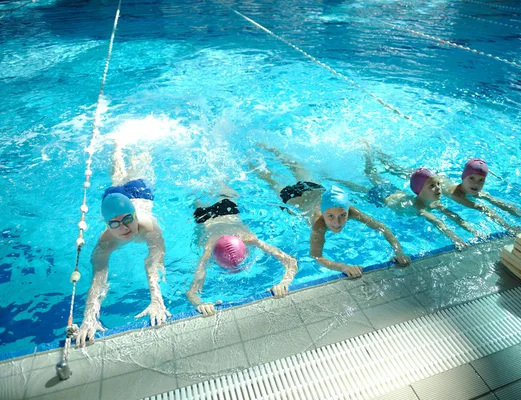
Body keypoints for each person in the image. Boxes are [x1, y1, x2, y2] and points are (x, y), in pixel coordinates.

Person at [252, 144, 410, 279]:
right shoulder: (318, 224)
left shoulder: (351, 211)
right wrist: (342, 267)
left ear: (347, 210)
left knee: (295, 165)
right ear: (323, 213)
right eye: (331, 217)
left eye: (343, 215)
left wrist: (399, 251)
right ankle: (255, 157)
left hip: (313, 187)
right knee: (270, 179)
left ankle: (274, 150)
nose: (337, 222)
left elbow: (381, 226)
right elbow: (316, 256)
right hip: (293, 199)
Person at [76, 140, 169, 348]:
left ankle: (138, 143)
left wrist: (156, 298)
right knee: (117, 175)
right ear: (107, 225)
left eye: (128, 220)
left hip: (140, 191)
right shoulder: (106, 241)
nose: (124, 228)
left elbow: (154, 260)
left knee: (137, 164)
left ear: (135, 216)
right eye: (115, 224)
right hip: (116, 199)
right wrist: (89, 316)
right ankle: (117, 148)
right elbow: (98, 276)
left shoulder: (148, 226)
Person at [332, 143, 480, 251]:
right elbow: (438, 223)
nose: (438, 189)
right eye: (432, 186)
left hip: (393, 191)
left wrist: (473, 231)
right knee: (360, 189)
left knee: (372, 175)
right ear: (419, 191)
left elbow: (453, 216)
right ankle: (333, 178)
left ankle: (368, 154)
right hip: (381, 197)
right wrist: (456, 239)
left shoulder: (434, 203)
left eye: (438, 184)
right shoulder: (420, 208)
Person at [186, 184, 298, 316]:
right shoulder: (210, 247)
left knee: (199, 190)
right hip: (210, 213)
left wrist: (284, 283)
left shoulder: (247, 238)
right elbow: (290, 261)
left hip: (214, 212)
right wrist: (200, 305)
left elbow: (290, 261)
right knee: (212, 186)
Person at [438, 158, 521, 227]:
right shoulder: (456, 194)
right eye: (471, 178)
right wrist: (508, 227)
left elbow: (501, 204)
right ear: (463, 177)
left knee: (493, 200)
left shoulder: (473, 188)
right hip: (440, 182)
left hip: (460, 186)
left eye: (481, 180)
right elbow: (481, 208)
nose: (476, 183)